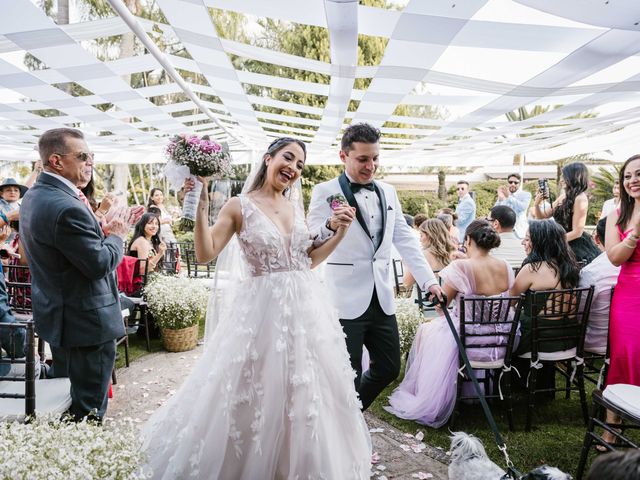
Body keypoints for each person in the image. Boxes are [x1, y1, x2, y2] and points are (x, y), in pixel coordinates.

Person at [143, 137, 371, 479]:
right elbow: (206, 253)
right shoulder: (239, 206)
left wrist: (339, 232)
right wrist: (202, 205)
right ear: (268, 159)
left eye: (299, 165)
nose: (293, 168)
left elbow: (306, 262)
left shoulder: (295, 207)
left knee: (308, 392)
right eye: (288, 158)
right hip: (261, 315)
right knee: (255, 390)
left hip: (307, 313)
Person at [307, 123, 443, 411]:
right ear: (343, 156)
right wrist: (331, 225)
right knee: (348, 375)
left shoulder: (388, 192)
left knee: (389, 367)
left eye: (375, 158)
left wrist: (429, 282)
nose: (371, 166)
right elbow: (310, 240)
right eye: (363, 159)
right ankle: (347, 438)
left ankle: (350, 419)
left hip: (382, 299)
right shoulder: (325, 191)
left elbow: (406, 241)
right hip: (343, 300)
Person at [20, 127, 139, 422]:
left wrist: (101, 224)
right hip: (86, 323)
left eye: (92, 156)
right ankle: (86, 458)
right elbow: (99, 263)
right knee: (87, 409)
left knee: (69, 398)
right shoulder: (64, 206)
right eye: (83, 156)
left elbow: (67, 247)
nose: (90, 163)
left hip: (61, 316)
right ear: (56, 161)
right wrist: (117, 235)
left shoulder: (37, 195)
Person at [385, 220, 514, 427]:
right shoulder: (505, 266)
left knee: (425, 332)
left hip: (466, 340)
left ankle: (428, 392)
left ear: (469, 239)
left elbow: (440, 308)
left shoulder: (460, 267)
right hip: (500, 341)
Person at [510, 220, 581, 392]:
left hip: (535, 341)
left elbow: (509, 301)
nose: (523, 242)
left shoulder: (532, 269)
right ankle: (544, 387)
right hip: (567, 338)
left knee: (506, 330)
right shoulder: (571, 268)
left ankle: (513, 385)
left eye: (527, 239)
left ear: (540, 242)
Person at [602, 154, 640, 446]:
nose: (633, 180)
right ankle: (612, 424)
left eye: (638, 174)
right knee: (625, 354)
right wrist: (635, 234)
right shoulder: (617, 214)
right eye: (627, 176)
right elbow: (614, 258)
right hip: (629, 293)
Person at [533, 162, 600, 265]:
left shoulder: (580, 198)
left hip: (574, 246)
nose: (561, 180)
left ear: (574, 177)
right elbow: (542, 216)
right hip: (560, 241)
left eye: (564, 176)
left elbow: (577, 232)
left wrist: (553, 242)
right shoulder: (563, 196)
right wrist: (537, 203)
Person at [579, 217, 619, 353]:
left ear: (596, 239)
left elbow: (580, 312)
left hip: (596, 340)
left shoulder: (592, 271)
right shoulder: (633, 268)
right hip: (627, 337)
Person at [495, 173, 531, 238]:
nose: (513, 184)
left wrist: (508, 197)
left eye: (516, 182)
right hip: (504, 231)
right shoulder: (504, 195)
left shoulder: (526, 195)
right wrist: (500, 199)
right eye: (510, 182)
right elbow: (495, 211)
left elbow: (522, 207)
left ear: (519, 183)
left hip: (519, 232)